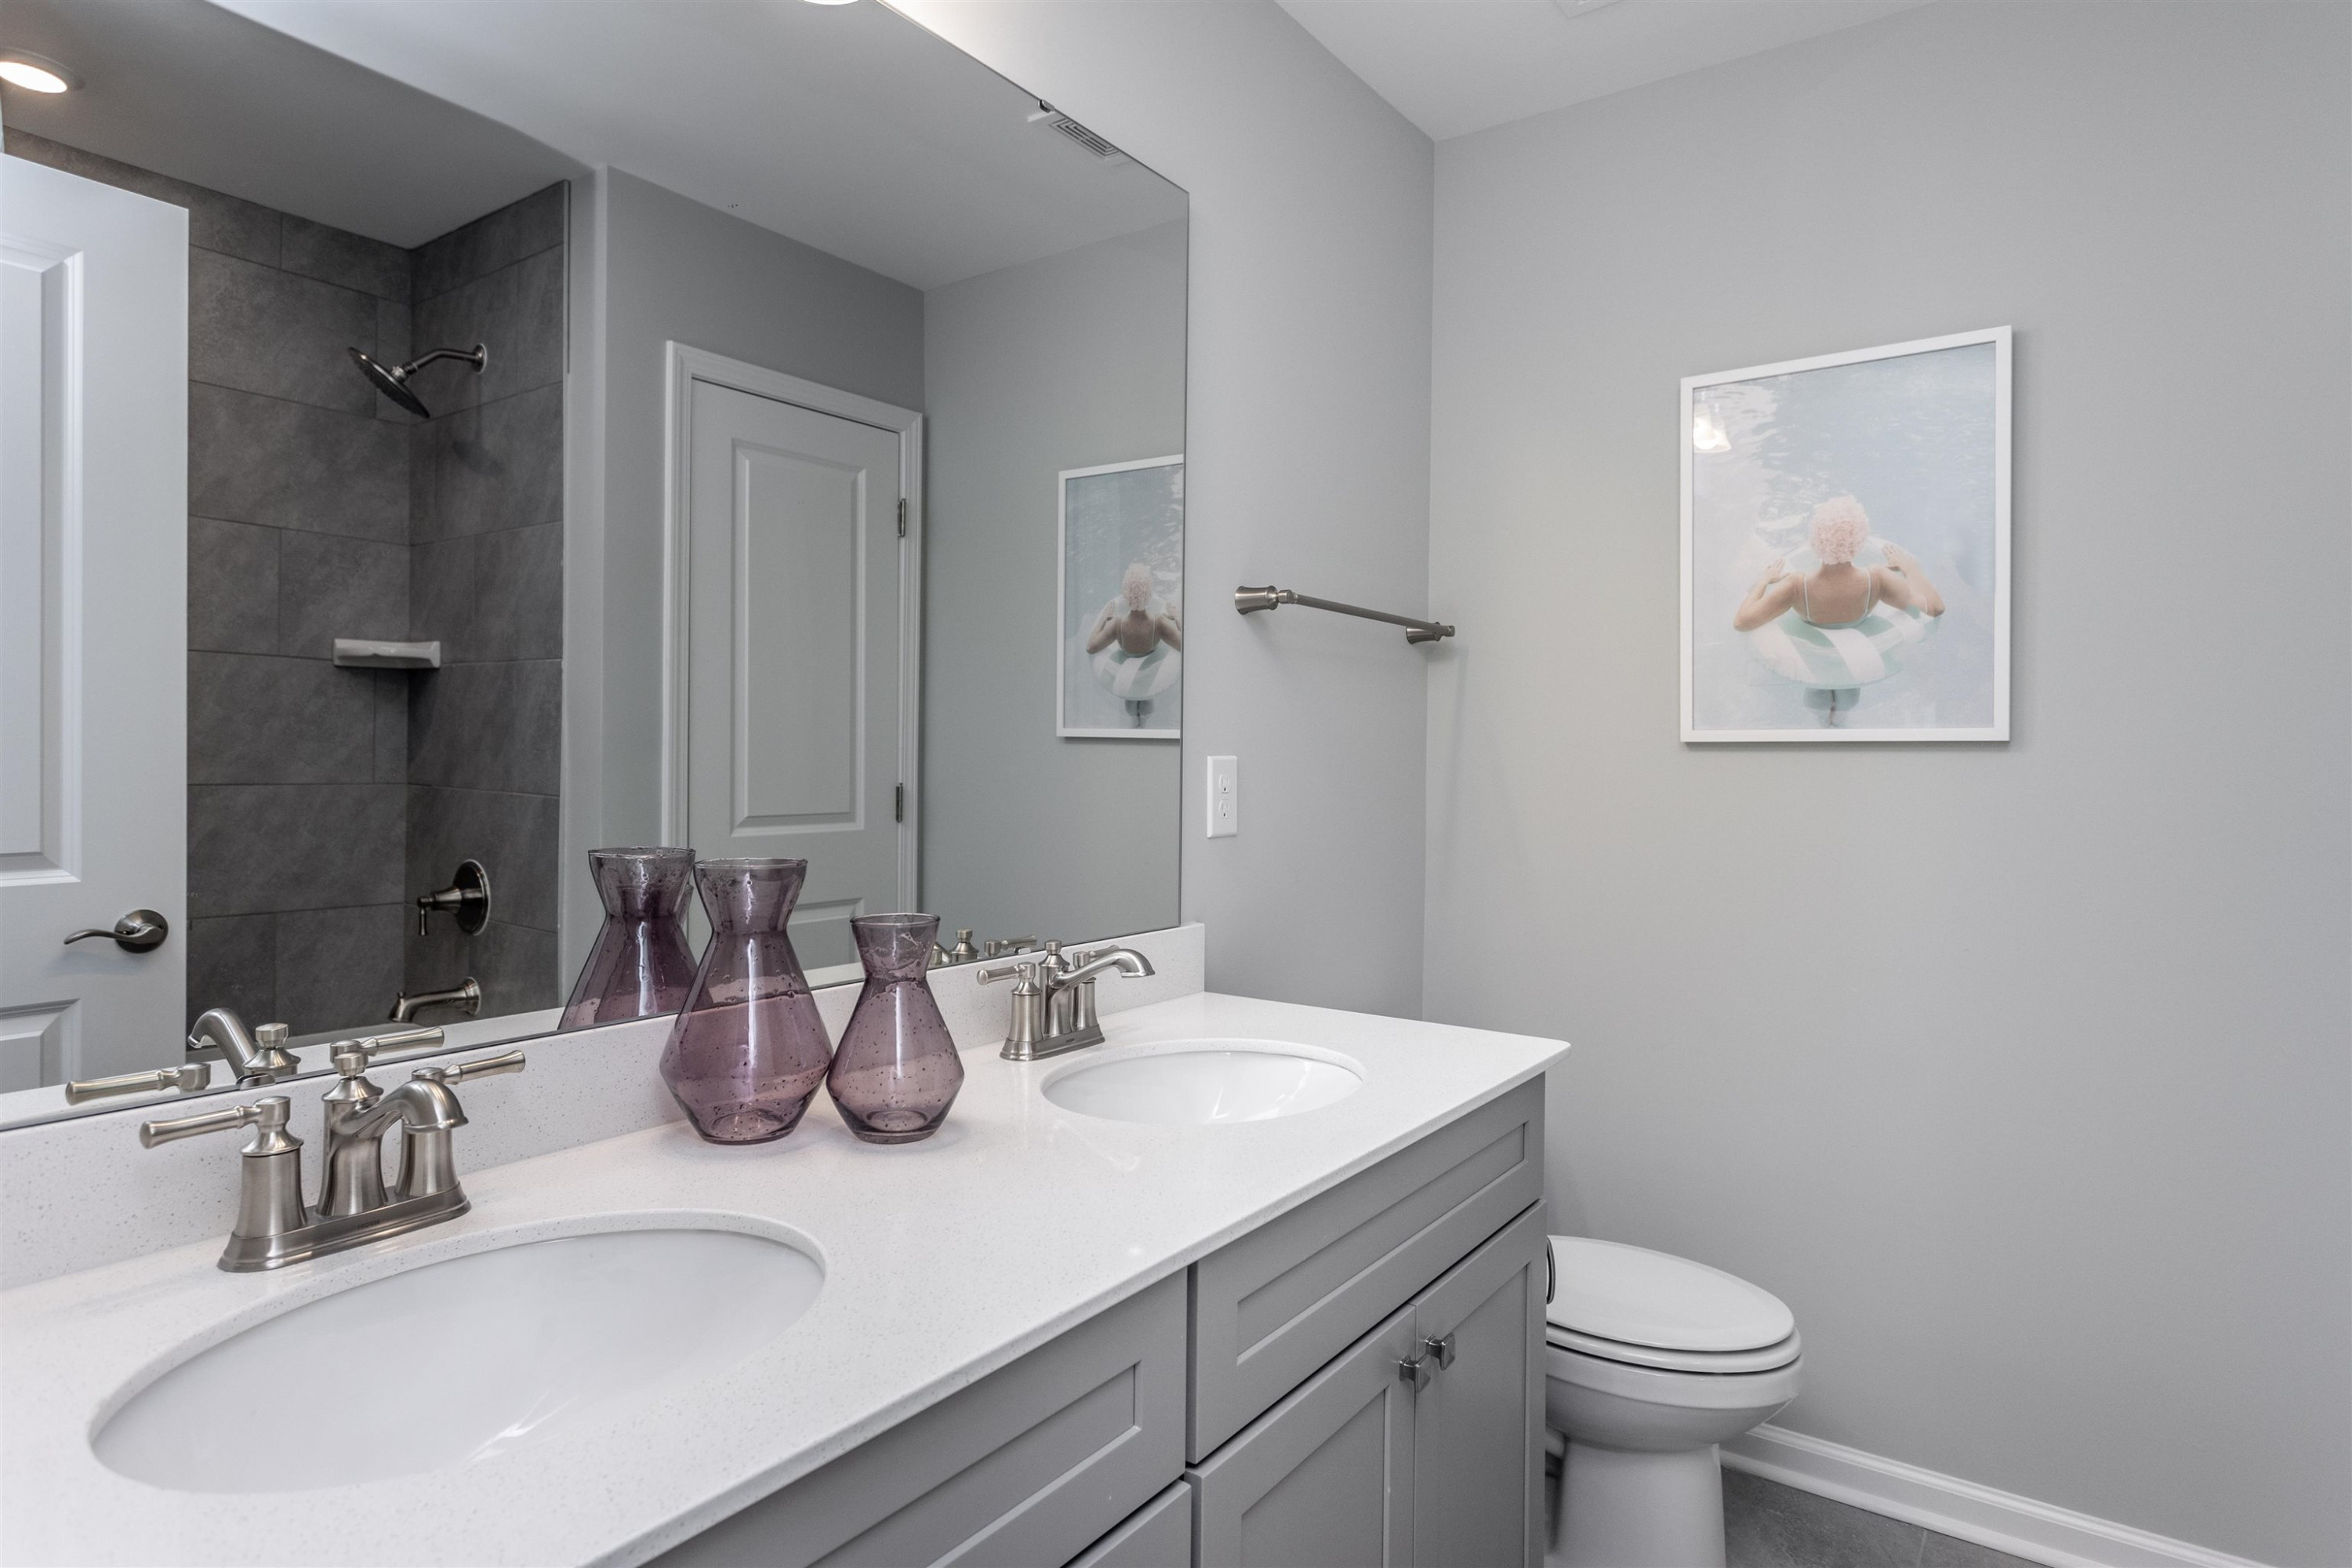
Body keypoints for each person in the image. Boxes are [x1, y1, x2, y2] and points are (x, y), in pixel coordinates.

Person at [1732, 495, 1945, 633]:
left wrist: (1764, 580)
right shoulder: (1877, 578)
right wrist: (1910, 569)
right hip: (1859, 643)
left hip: (1813, 650)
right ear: (1860, 540)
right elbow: (1935, 608)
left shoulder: (1796, 586)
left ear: (1815, 538)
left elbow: (1741, 623)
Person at [1087, 563, 1184, 657]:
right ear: (1149, 594)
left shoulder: (1117, 624)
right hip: (1151, 655)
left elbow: (1090, 648)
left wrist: (1103, 618)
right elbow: (1185, 646)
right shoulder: (1159, 623)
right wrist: (1177, 617)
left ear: (1126, 594)